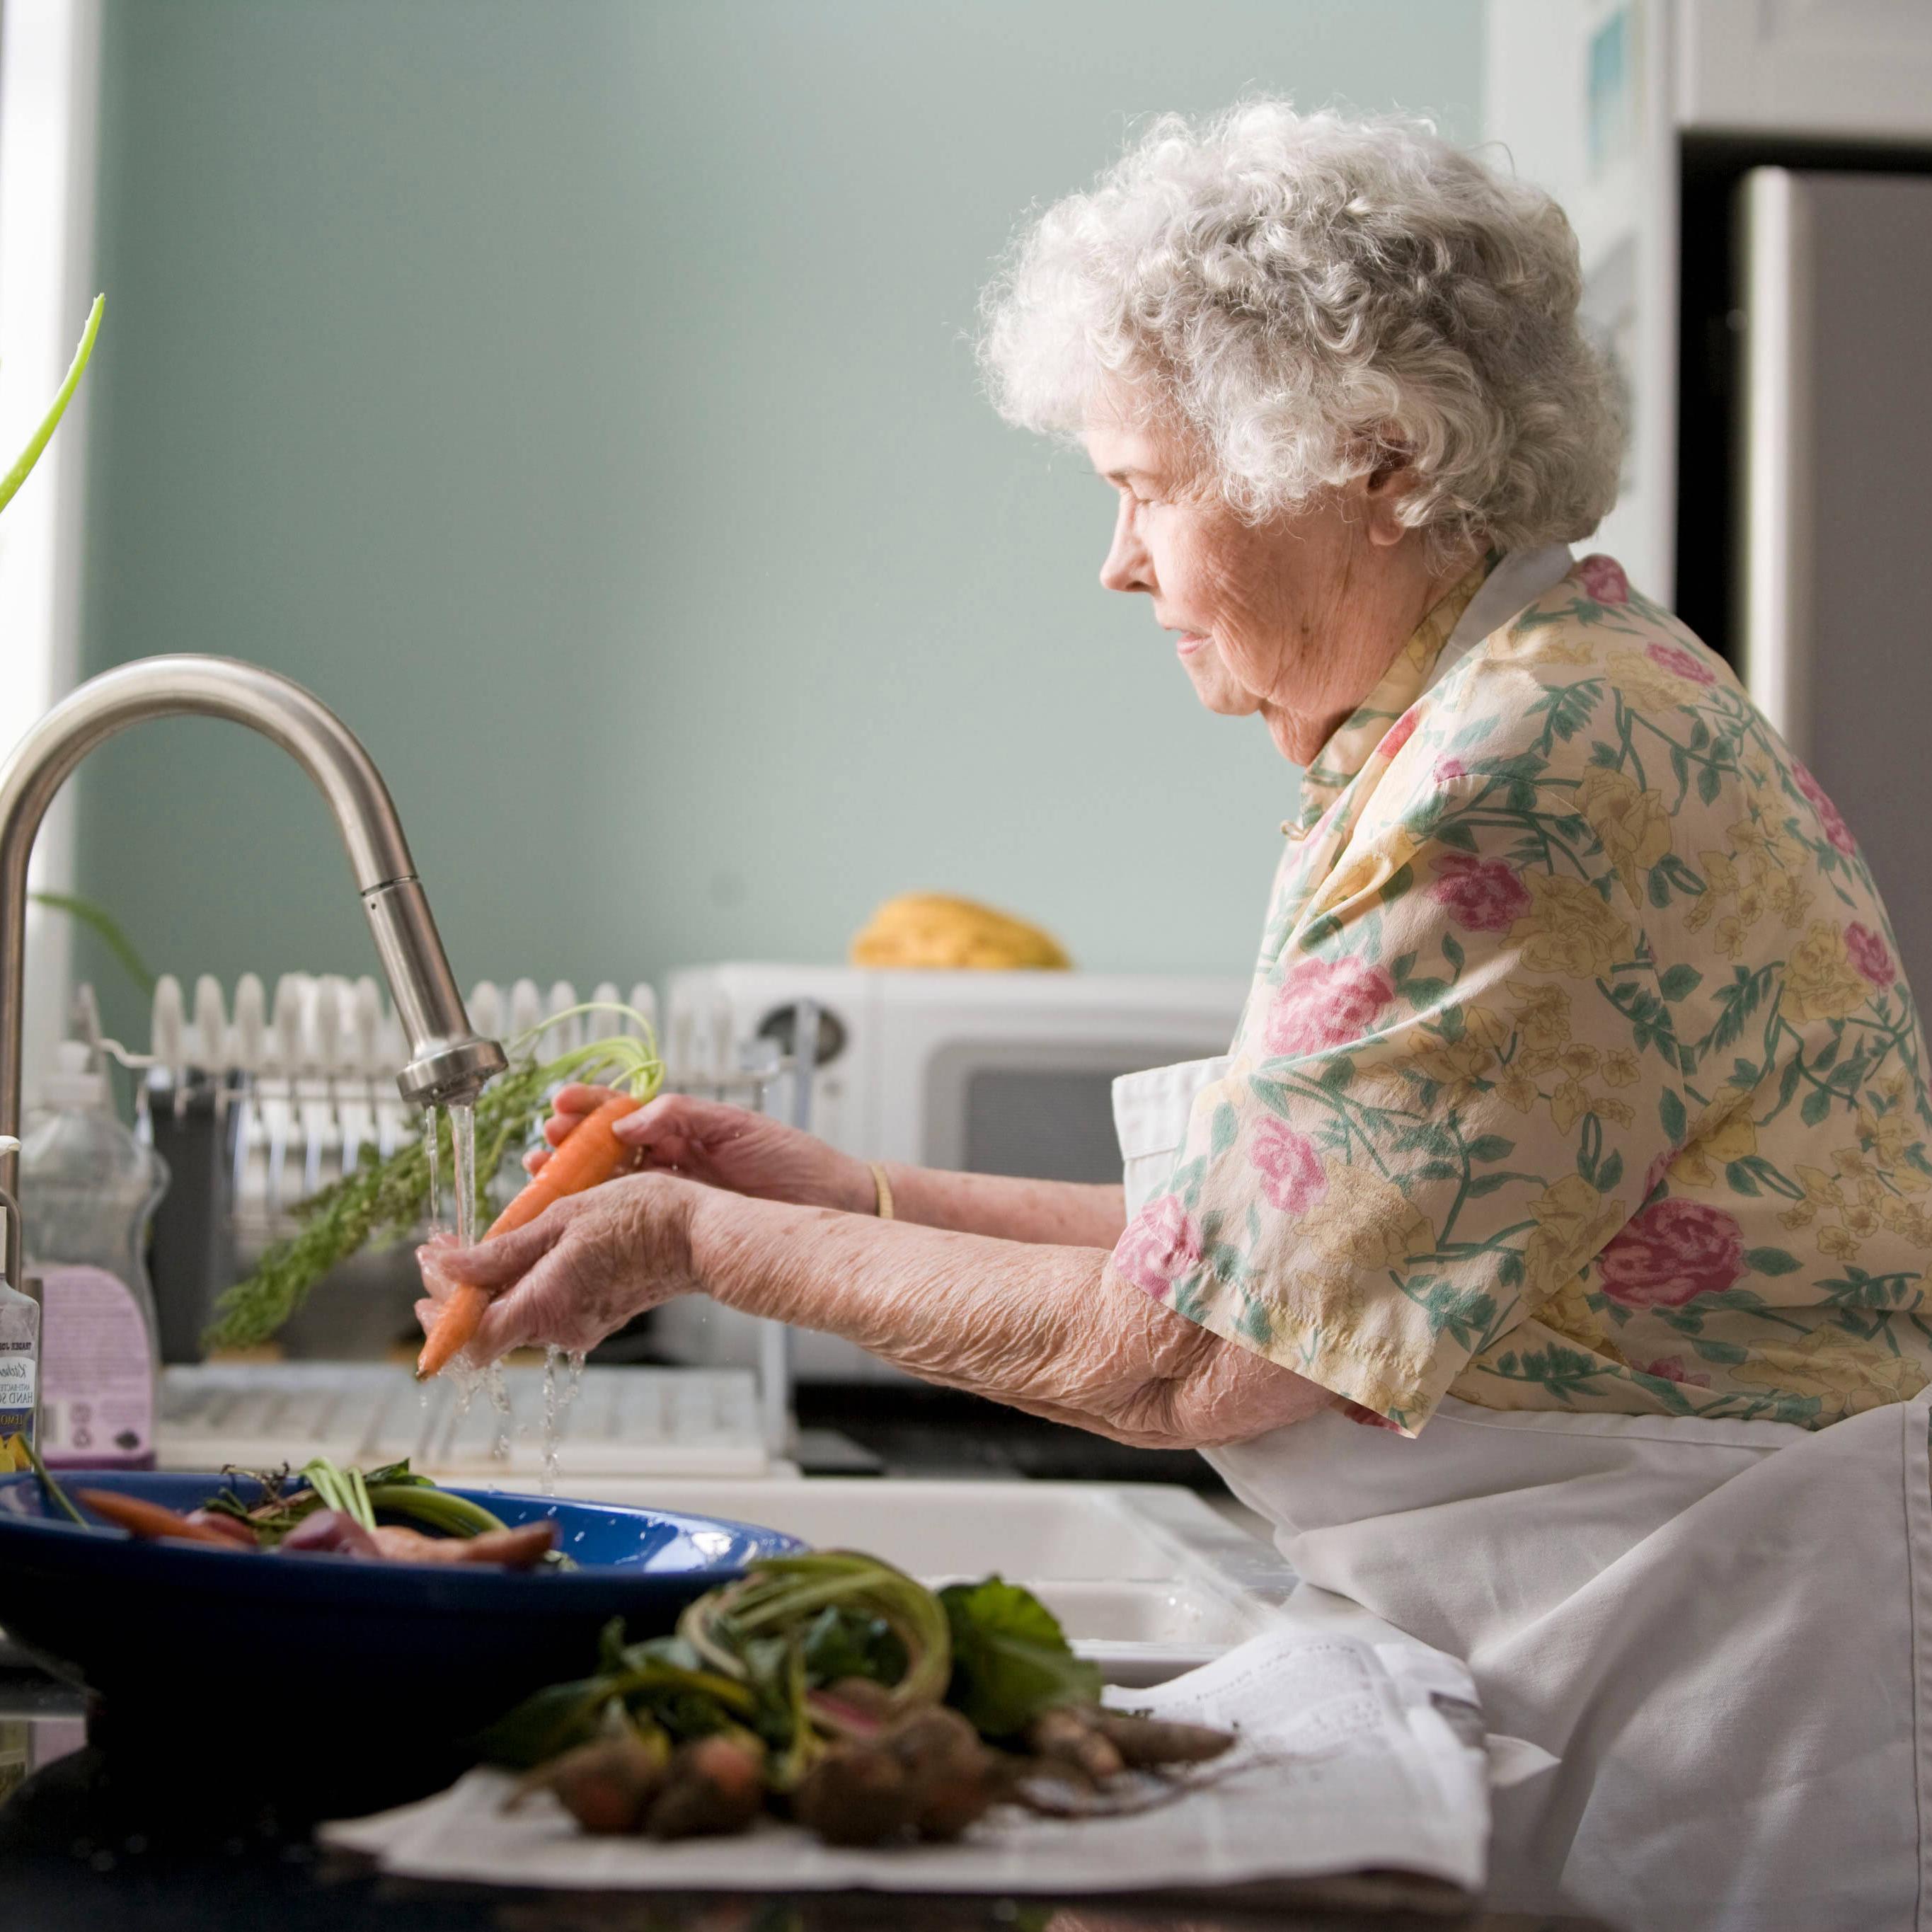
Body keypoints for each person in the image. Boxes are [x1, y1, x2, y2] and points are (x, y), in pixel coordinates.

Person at [420, 105, 1932, 1928]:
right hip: (1643, 1628)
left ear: (1377, 460)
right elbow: (1267, 1258)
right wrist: (828, 1194)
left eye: (1145, 485)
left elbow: (1188, 1357)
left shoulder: (1519, 776)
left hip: (1724, 1683)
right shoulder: (1505, 708)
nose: (1120, 563)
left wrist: (700, 1236)